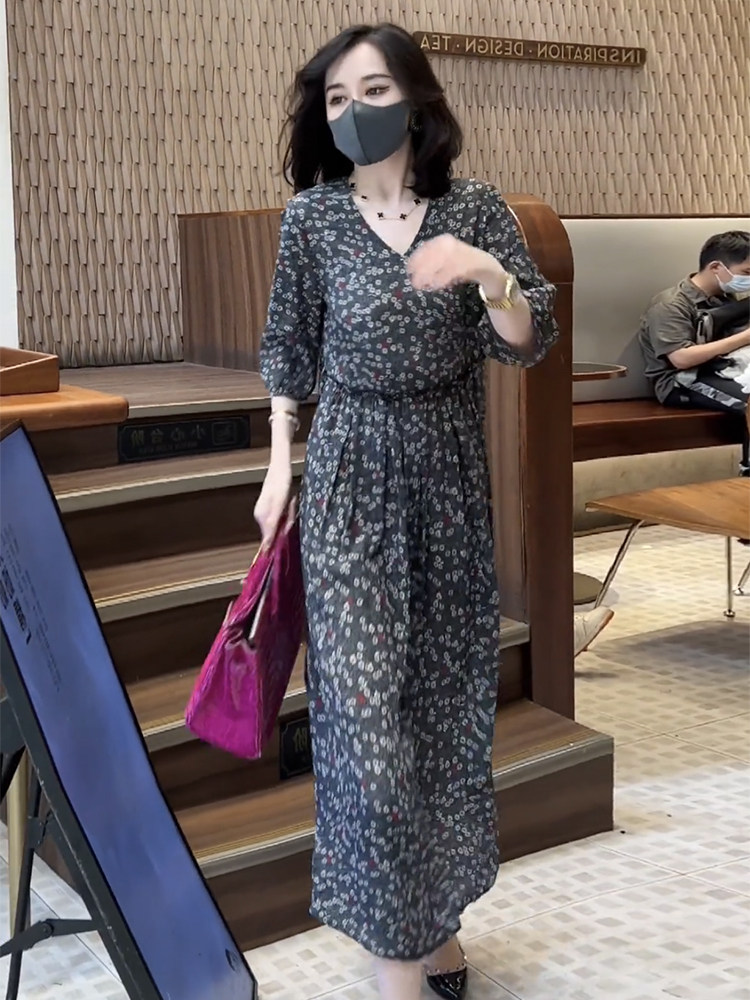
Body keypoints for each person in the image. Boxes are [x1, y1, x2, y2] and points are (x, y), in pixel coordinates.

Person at [254, 24, 559, 1000]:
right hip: (349, 483)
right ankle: (397, 968)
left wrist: (485, 271)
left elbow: (527, 339)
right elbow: (289, 348)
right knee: (364, 729)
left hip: (448, 489)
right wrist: (279, 464)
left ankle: (434, 927)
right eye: (337, 98)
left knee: (441, 719)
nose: (355, 111)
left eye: (374, 90)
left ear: (417, 99)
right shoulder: (313, 218)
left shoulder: (475, 212)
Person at [637, 230, 750, 475]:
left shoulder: (730, 299)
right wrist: (745, 337)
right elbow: (681, 358)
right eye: (747, 273)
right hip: (681, 380)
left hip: (726, 369)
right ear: (716, 267)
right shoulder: (670, 304)